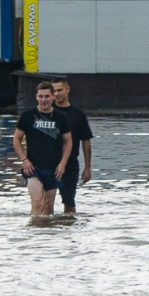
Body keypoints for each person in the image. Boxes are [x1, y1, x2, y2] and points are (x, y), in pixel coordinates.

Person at [13, 82, 73, 216]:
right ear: (36, 97)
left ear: (53, 97)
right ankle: (34, 228)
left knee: (48, 205)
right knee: (37, 202)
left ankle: (47, 229)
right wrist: (24, 160)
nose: (43, 100)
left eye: (46, 96)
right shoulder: (28, 115)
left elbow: (68, 142)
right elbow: (16, 139)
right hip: (33, 167)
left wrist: (62, 164)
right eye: (40, 96)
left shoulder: (60, 117)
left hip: (53, 167)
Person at [52, 77, 93, 214]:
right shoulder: (47, 113)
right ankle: (45, 225)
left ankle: (69, 223)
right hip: (48, 162)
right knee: (45, 201)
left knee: (69, 201)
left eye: (59, 90)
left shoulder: (78, 114)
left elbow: (86, 141)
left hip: (70, 164)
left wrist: (87, 167)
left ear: (67, 89)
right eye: (54, 91)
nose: (56, 94)